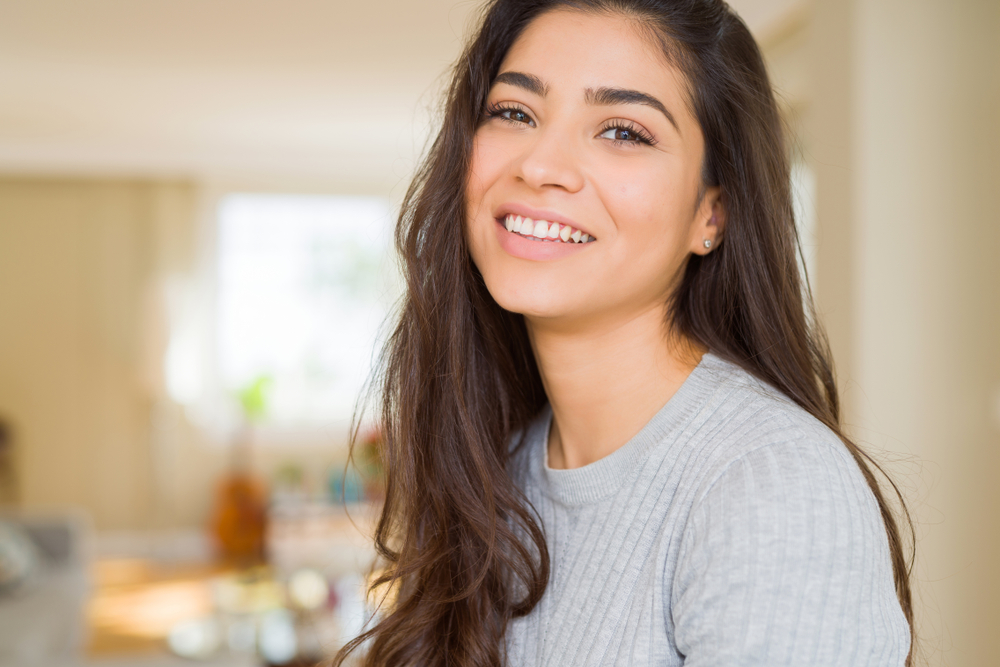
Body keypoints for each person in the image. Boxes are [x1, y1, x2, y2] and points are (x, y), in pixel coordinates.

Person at [334, 1, 914, 665]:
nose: (541, 165)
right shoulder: (497, 467)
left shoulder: (770, 487)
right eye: (515, 112)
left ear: (712, 213)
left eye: (623, 132)